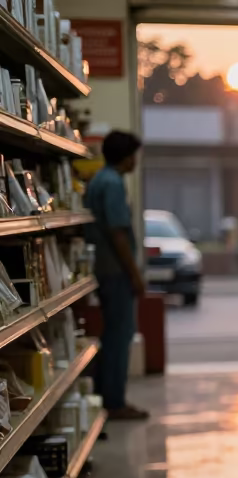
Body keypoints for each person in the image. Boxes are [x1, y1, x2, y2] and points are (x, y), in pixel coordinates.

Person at [85, 131, 149, 421]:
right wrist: (134, 274)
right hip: (115, 270)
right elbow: (118, 234)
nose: (136, 161)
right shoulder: (112, 183)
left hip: (104, 268)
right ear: (125, 157)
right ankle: (114, 401)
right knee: (120, 335)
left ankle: (104, 396)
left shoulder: (99, 179)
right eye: (134, 155)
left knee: (112, 333)